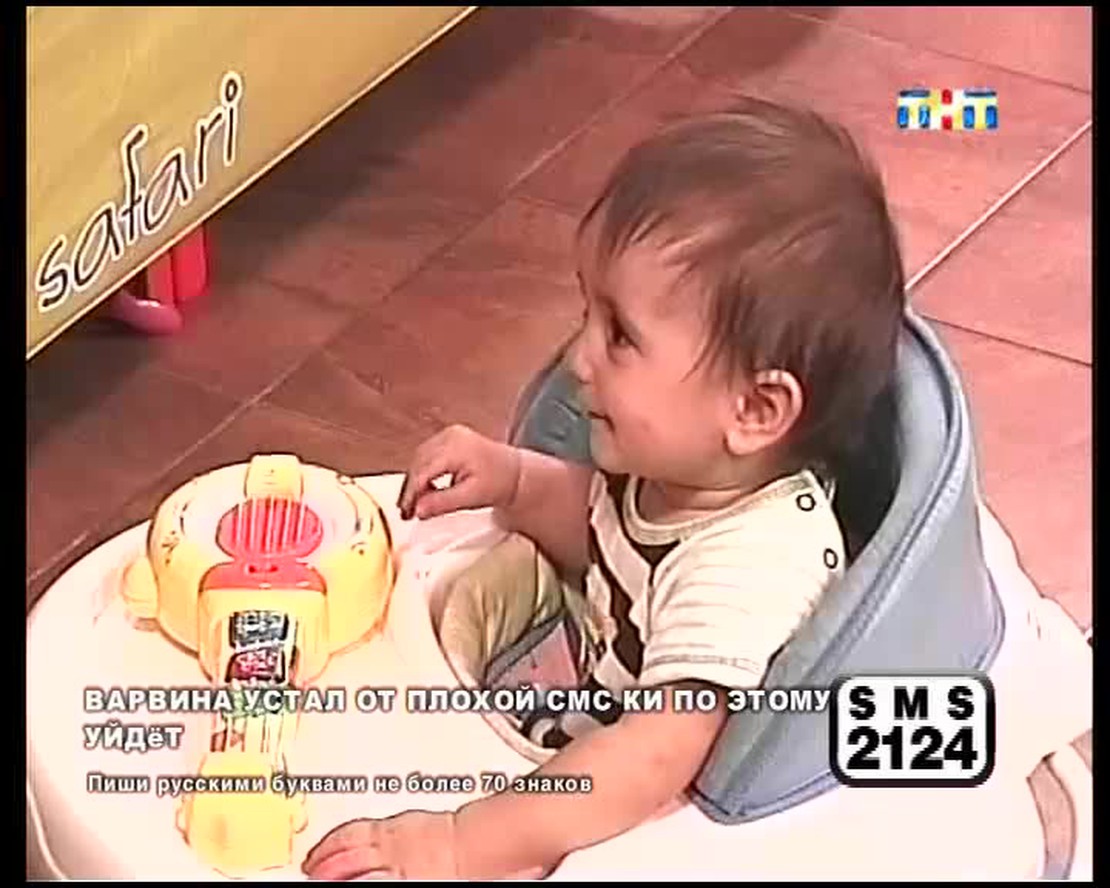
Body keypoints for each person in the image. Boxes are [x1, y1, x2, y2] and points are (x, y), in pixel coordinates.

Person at [302, 96, 906, 880]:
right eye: (587, 312)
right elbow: (604, 535)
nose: (578, 358)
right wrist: (516, 481)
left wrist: (458, 844)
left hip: (642, 830)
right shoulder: (687, 471)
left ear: (754, 410)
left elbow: (653, 757)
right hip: (577, 734)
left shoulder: (749, 570)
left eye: (620, 335)